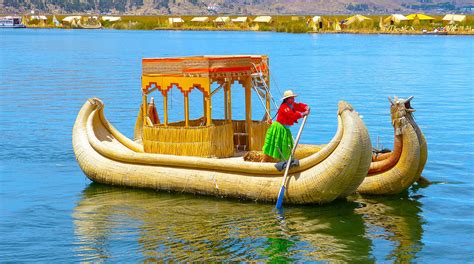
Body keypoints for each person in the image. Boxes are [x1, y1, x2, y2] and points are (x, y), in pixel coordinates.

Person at [262, 90, 309, 162]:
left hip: (285, 129)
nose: (293, 99)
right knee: (274, 144)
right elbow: (292, 116)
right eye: (291, 98)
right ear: (286, 99)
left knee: (287, 145)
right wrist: (302, 114)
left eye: (293, 98)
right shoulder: (284, 107)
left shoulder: (292, 105)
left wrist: (306, 107)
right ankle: (265, 160)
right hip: (279, 128)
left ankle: (283, 160)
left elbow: (299, 106)